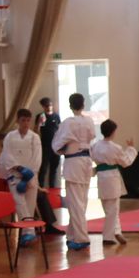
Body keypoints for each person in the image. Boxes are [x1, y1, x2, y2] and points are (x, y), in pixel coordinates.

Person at [51, 93, 97, 251]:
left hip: (74, 162)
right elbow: (92, 136)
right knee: (81, 201)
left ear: (70, 106)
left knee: (75, 202)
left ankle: (81, 237)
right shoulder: (89, 121)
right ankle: (72, 235)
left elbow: (56, 145)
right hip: (86, 161)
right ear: (83, 105)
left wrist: (63, 149)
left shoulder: (68, 123)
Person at [0, 109, 43, 247]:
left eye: (28, 120)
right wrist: (19, 168)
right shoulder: (10, 136)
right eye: (23, 120)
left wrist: (29, 173)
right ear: (17, 121)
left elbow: (37, 158)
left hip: (31, 176)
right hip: (15, 175)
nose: (26, 123)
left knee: (29, 205)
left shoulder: (34, 137)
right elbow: (7, 155)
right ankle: (30, 232)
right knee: (20, 204)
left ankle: (26, 235)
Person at [91, 119, 136, 245]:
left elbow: (92, 158)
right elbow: (126, 162)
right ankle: (108, 236)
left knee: (108, 208)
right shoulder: (115, 148)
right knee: (113, 209)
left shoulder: (95, 146)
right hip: (111, 178)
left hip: (101, 177)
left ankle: (116, 231)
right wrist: (131, 149)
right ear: (113, 132)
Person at [34, 97, 62, 188]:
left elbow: (60, 130)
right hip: (45, 146)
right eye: (46, 106)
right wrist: (39, 123)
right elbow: (36, 132)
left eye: (50, 105)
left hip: (56, 146)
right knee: (43, 169)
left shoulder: (56, 116)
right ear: (43, 107)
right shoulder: (41, 116)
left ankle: (52, 188)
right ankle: (40, 189)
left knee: (54, 169)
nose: (49, 107)